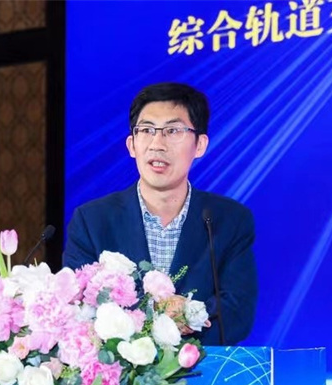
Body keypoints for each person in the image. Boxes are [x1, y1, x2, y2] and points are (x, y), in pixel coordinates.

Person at [63, 82, 258, 345]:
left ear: (200, 145)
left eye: (173, 131)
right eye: (146, 130)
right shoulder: (92, 221)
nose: (157, 143)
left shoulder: (229, 219)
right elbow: (79, 309)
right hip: (120, 369)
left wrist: (186, 319)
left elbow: (237, 311)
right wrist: (149, 326)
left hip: (202, 365)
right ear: (132, 145)